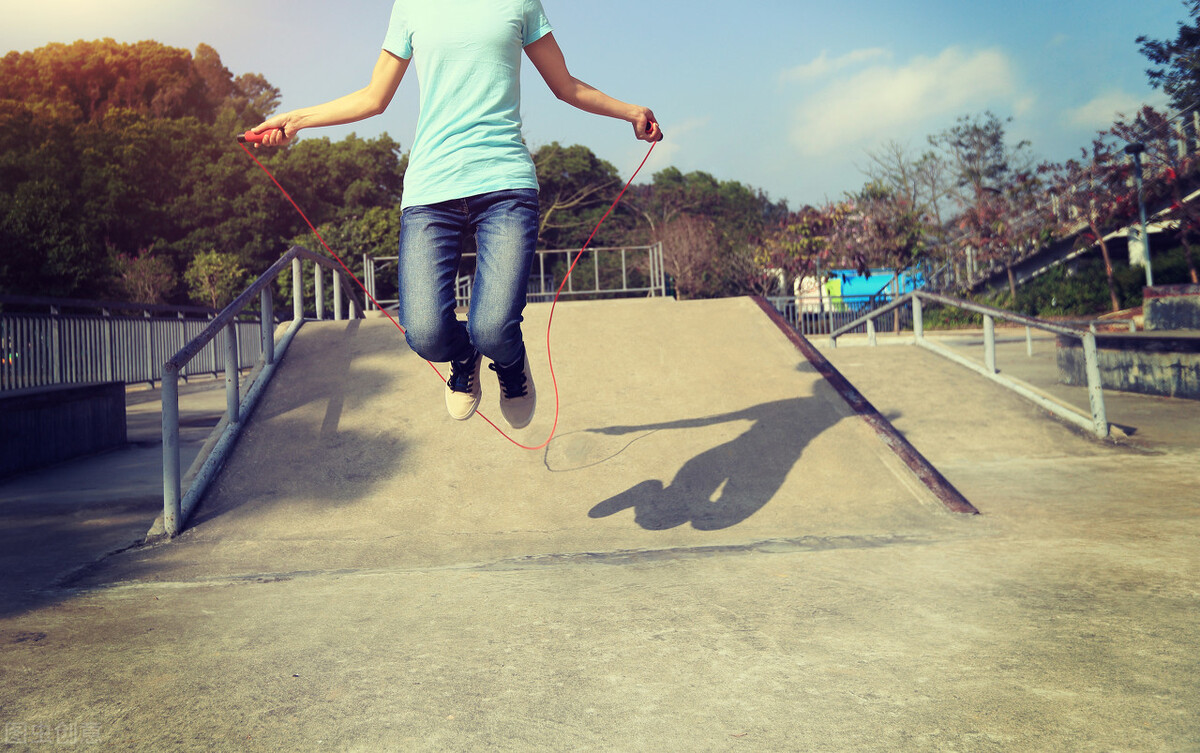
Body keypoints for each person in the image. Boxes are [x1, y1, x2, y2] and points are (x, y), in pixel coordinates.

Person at [251, 1, 662, 430]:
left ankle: (509, 361)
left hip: (504, 184)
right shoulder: (411, 7)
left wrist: (631, 112)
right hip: (431, 190)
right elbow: (374, 97)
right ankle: (464, 357)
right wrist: (295, 121)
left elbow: (565, 86)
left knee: (493, 327)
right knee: (425, 333)